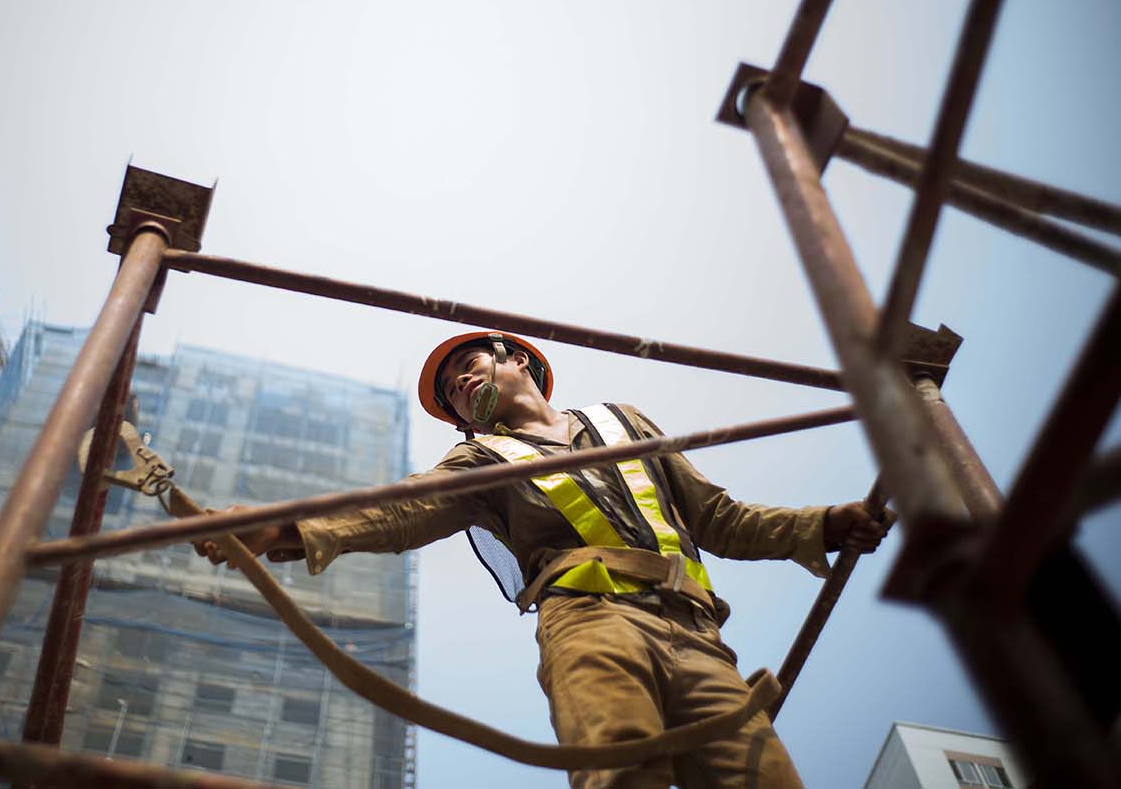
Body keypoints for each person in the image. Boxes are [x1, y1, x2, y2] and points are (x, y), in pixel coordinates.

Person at [197, 330, 892, 788]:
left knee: (763, 778)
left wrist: (825, 523)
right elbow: (398, 509)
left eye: (471, 367)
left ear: (519, 360)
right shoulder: (481, 459)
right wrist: (277, 528)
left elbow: (718, 517)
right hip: (591, 624)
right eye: (452, 392)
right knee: (621, 767)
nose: (461, 385)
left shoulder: (624, 421)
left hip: (701, 638)